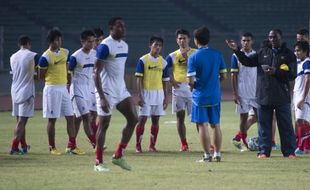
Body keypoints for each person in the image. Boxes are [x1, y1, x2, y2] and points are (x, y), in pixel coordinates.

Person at [226, 29, 297, 158]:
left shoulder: (288, 54)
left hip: (282, 96)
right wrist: (236, 50)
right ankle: (264, 151)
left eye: (275, 37)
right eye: (270, 37)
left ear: (281, 38)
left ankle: (290, 152)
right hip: (264, 95)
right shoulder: (263, 52)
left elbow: (292, 74)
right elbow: (247, 62)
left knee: (286, 126)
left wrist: (275, 72)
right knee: (264, 126)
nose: (272, 40)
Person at [93, 17, 138, 172]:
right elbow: (95, 73)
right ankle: (98, 162)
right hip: (106, 91)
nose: (123, 29)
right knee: (104, 125)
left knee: (133, 118)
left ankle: (118, 155)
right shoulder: (105, 46)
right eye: (119, 26)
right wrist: (102, 97)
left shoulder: (124, 45)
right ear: (111, 28)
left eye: (124, 26)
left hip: (120, 89)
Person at [38, 28, 85, 155]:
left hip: (64, 88)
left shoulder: (65, 53)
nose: (60, 42)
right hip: (52, 89)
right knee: (52, 119)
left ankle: (72, 146)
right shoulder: (45, 57)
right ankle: (52, 147)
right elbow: (40, 76)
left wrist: (67, 82)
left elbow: (68, 69)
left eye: (60, 39)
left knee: (70, 117)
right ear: (52, 41)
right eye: (58, 40)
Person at [187, 26, 227, 163]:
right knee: (215, 124)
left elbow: (190, 81)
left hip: (200, 97)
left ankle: (206, 156)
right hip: (214, 95)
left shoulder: (193, 57)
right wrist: (214, 85)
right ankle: (217, 153)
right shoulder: (217, 54)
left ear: (196, 40)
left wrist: (192, 86)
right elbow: (223, 75)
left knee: (202, 125)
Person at [135, 36, 169, 153]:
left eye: (160, 46)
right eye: (155, 45)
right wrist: (140, 95)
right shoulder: (143, 60)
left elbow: (165, 81)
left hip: (159, 94)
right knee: (142, 119)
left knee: (156, 120)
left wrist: (166, 97)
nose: (157, 48)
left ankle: (152, 146)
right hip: (146, 93)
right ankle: (138, 146)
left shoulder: (163, 62)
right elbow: (139, 79)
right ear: (150, 46)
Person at [166, 29, 196, 152]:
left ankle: (207, 142)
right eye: (180, 38)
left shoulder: (195, 53)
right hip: (178, 90)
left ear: (189, 39)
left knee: (199, 118)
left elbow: (199, 67)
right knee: (180, 117)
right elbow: (164, 68)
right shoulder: (172, 55)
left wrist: (187, 59)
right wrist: (171, 80)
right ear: (177, 40)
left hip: (193, 89)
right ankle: (184, 144)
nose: (182, 40)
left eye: (184, 38)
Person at [9, 35, 38, 155]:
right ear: (29, 44)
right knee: (22, 121)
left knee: (19, 120)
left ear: (19, 44)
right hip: (26, 90)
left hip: (14, 90)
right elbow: (42, 66)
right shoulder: (32, 55)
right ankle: (14, 147)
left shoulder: (13, 56)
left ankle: (24, 145)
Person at [68, 30, 97, 149]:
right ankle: (95, 142)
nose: (92, 44)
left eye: (93, 41)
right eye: (89, 41)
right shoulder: (75, 56)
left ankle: (71, 144)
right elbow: (68, 73)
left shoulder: (95, 54)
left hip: (88, 88)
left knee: (78, 117)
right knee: (86, 116)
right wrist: (67, 88)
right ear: (82, 41)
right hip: (77, 88)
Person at [230, 32, 257, 151]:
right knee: (243, 117)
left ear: (252, 42)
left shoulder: (256, 55)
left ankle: (238, 136)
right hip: (242, 92)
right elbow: (233, 75)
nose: (246, 43)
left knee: (258, 116)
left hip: (256, 91)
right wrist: (235, 93)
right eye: (244, 41)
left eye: (248, 40)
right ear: (241, 42)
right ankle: (244, 142)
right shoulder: (236, 56)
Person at [293, 41, 310, 155]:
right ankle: (306, 147)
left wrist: (303, 97)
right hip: (297, 94)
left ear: (305, 52)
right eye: (295, 50)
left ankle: (302, 146)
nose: (296, 53)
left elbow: (308, 79)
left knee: (300, 121)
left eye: (299, 50)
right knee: (302, 121)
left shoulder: (307, 62)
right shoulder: (300, 62)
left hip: (303, 95)